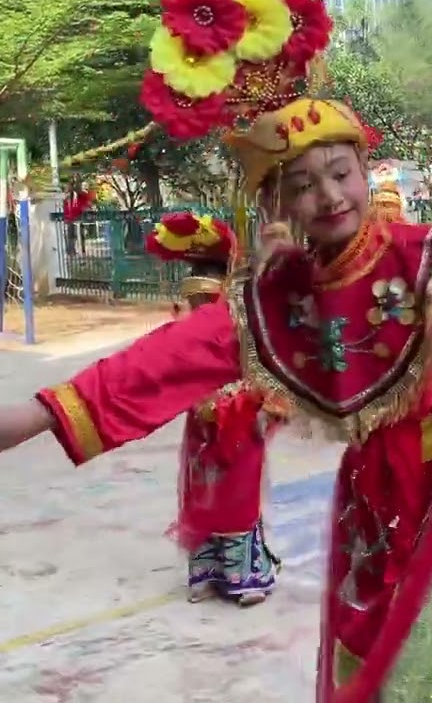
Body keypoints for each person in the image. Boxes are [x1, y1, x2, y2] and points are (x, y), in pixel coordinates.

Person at [0, 95, 432, 702]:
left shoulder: (430, 257)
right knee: (362, 650)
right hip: (372, 491)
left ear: (364, 171)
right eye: (303, 185)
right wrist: (41, 414)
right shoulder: (276, 297)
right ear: (279, 205)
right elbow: (168, 356)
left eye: (340, 174)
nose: (330, 197)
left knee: (427, 666)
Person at [145, 211, 287, 606]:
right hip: (229, 413)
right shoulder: (238, 315)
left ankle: (207, 576)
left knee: (214, 488)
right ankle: (240, 578)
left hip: (220, 414)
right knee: (227, 490)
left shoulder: (210, 320)